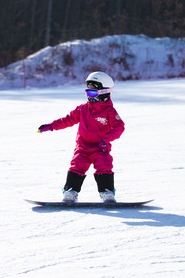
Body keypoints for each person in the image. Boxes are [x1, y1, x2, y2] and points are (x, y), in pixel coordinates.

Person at [38, 72, 125, 203]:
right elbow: (68, 120)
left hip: (100, 147)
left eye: (93, 93)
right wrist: (51, 126)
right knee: (77, 165)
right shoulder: (83, 109)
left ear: (104, 92)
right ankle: (71, 191)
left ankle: (107, 192)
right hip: (83, 147)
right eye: (88, 92)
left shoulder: (109, 111)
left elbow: (119, 126)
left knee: (104, 165)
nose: (90, 96)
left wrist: (106, 139)